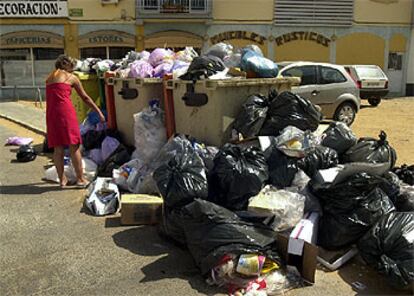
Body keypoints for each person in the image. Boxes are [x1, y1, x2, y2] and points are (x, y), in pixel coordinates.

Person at [46, 55, 105, 188]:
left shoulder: (49, 78)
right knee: (74, 146)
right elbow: (85, 97)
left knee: (58, 147)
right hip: (66, 113)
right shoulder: (71, 77)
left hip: (51, 114)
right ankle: (80, 179)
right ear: (67, 65)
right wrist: (99, 112)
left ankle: (62, 180)